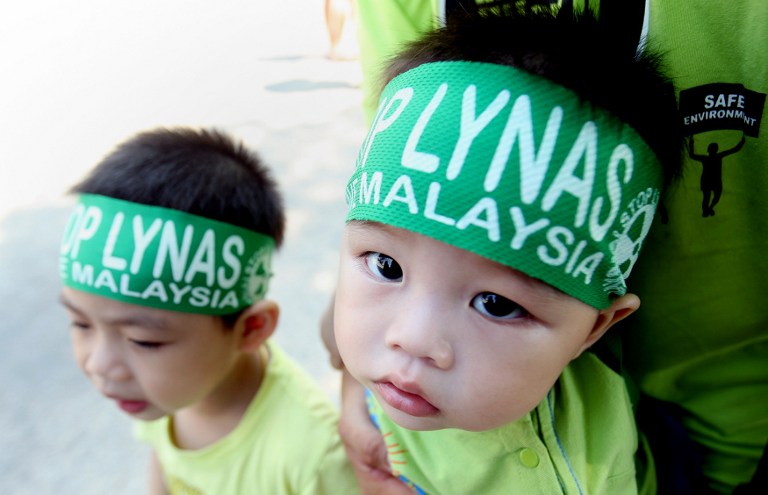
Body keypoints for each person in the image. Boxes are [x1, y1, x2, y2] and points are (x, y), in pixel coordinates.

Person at [327, 2, 768, 493]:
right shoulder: (351, 434)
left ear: (597, 327)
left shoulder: (620, 453)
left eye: (497, 304)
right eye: (387, 266)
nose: (410, 338)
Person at [57, 127, 360, 494]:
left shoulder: (313, 460)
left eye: (144, 341)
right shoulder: (160, 393)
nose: (99, 364)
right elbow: (165, 461)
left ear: (251, 329)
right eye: (80, 322)